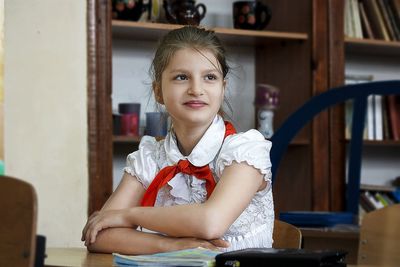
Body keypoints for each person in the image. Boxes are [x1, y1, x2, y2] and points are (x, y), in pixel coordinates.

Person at [81, 26, 274, 255]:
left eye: (209, 77)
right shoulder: (151, 157)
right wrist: (171, 246)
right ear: (158, 92)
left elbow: (210, 222)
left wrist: (127, 215)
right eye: (181, 77)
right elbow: (99, 236)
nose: (196, 89)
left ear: (223, 88)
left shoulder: (245, 151)